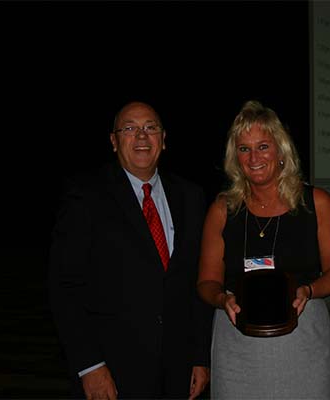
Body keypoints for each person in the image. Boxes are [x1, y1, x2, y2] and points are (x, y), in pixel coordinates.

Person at [49, 101, 214, 399]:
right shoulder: (85, 195)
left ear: (163, 140)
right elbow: (65, 287)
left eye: (150, 128)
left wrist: (201, 356)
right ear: (113, 141)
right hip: (112, 373)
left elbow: (197, 284)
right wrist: (89, 366)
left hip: (178, 372)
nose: (141, 136)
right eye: (130, 128)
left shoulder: (191, 196)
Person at [197, 100, 330, 399]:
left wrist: (308, 291)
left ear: (281, 151)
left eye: (263, 146)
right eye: (244, 148)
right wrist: (222, 299)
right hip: (237, 342)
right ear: (235, 157)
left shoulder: (317, 203)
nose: (254, 157)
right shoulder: (223, 209)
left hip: (302, 338)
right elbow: (206, 282)